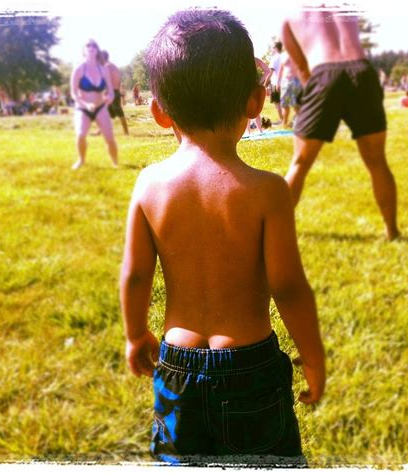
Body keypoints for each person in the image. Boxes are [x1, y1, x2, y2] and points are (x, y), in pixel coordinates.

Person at [120, 9, 325, 466]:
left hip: (176, 366)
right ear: (255, 102)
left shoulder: (149, 186)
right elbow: (289, 287)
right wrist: (312, 358)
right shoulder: (268, 191)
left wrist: (136, 334)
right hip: (249, 367)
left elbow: (135, 275)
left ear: (158, 112)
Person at [281, 6, 399, 240]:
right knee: (377, 161)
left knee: (300, 163)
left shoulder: (289, 17)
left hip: (324, 73)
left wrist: (320, 96)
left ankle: (277, 233)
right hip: (363, 72)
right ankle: (392, 231)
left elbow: (303, 69)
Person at [70, 39, 118, 169]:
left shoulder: (103, 70)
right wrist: (86, 105)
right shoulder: (79, 69)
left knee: (109, 138)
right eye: (88, 45)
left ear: (97, 50)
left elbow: (111, 91)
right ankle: (81, 160)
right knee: (80, 135)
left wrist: (110, 97)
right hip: (82, 108)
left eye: (94, 45)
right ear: (84, 50)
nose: (91, 47)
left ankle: (115, 163)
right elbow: (74, 94)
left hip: (101, 107)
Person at [100, 50, 129, 135]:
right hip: (116, 91)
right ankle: (101, 131)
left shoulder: (106, 67)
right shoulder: (114, 67)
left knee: (119, 112)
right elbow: (119, 81)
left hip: (110, 92)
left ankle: (126, 132)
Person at [245, 57, 272, 134]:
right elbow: (268, 71)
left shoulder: (243, 58)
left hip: (245, 87)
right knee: (256, 109)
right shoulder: (256, 60)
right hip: (254, 85)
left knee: (246, 109)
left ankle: (248, 132)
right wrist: (260, 82)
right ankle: (260, 131)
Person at [277, 51, 302, 128]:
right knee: (284, 104)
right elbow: (281, 70)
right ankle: (284, 123)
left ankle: (299, 124)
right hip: (286, 82)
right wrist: (278, 82)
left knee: (296, 104)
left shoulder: (299, 53)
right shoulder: (283, 55)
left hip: (297, 81)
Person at [268, 41, 284, 124]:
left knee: (276, 102)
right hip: (285, 82)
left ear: (276, 48)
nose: (272, 49)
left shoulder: (275, 58)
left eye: (273, 47)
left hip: (275, 83)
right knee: (284, 102)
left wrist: (265, 83)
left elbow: (270, 72)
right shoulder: (284, 56)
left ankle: (282, 120)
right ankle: (285, 120)